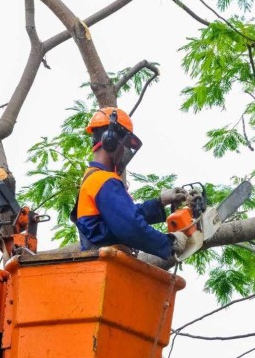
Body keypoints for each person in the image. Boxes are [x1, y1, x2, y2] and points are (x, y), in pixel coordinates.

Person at [71, 107, 188, 259]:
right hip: (105, 263)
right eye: (124, 146)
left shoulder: (93, 178)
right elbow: (130, 225)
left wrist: (159, 202)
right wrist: (169, 243)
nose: (124, 153)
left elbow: (124, 216)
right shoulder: (103, 180)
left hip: (102, 259)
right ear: (110, 139)